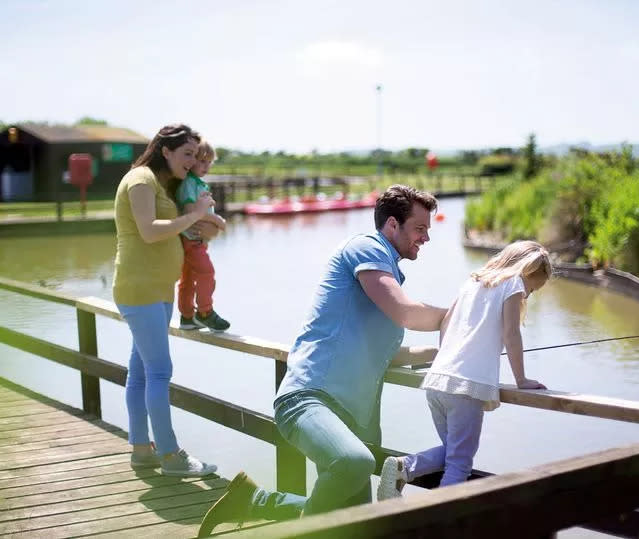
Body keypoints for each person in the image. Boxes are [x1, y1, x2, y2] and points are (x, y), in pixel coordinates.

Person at [198, 184, 446, 536]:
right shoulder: (367, 248)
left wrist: (446, 351)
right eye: (420, 228)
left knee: (355, 524)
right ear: (393, 225)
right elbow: (406, 312)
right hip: (308, 399)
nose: (426, 238)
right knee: (353, 462)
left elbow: (389, 356)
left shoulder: (388, 274)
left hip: (352, 420)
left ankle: (253, 502)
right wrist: (460, 316)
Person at [376, 240, 552, 499]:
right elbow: (511, 333)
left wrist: (447, 358)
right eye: (532, 288)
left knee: (453, 450)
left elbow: (447, 322)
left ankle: (404, 467)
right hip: (465, 386)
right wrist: (521, 379)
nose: (528, 295)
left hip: (437, 381)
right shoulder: (514, 283)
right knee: (459, 463)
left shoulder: (473, 282)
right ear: (527, 270)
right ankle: (439, 519)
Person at [113, 123, 219, 477]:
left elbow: (177, 230)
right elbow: (149, 231)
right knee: (159, 371)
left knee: (141, 371)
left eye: (195, 154)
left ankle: (142, 450)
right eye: (187, 153)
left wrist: (204, 221)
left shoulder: (160, 184)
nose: (193, 160)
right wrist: (193, 215)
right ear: (165, 151)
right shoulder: (141, 179)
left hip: (157, 290)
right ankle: (172, 457)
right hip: (139, 289)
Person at [175, 139, 230, 332]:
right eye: (202, 161)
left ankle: (187, 316)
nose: (206, 166)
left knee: (189, 278)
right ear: (191, 162)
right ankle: (205, 312)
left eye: (209, 162)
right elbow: (192, 210)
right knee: (206, 272)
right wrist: (217, 221)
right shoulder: (189, 184)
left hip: (195, 239)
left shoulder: (197, 183)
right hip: (192, 239)